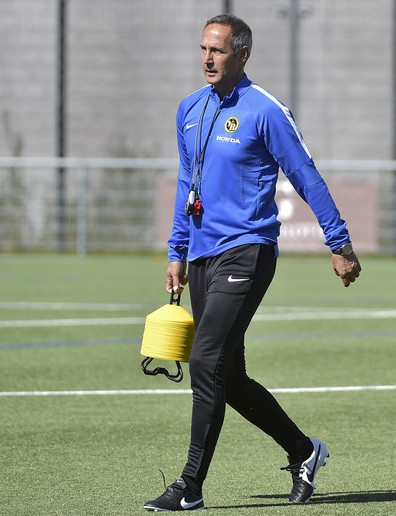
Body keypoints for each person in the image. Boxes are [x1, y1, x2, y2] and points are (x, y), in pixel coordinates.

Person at [144, 14, 362, 512]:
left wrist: (340, 243)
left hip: (248, 249)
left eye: (217, 51)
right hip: (200, 254)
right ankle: (305, 452)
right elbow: (186, 184)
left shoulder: (266, 110)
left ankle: (189, 486)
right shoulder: (189, 109)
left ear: (242, 54)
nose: (207, 59)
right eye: (203, 49)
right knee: (229, 376)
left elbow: (305, 174)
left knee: (204, 360)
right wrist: (176, 250)